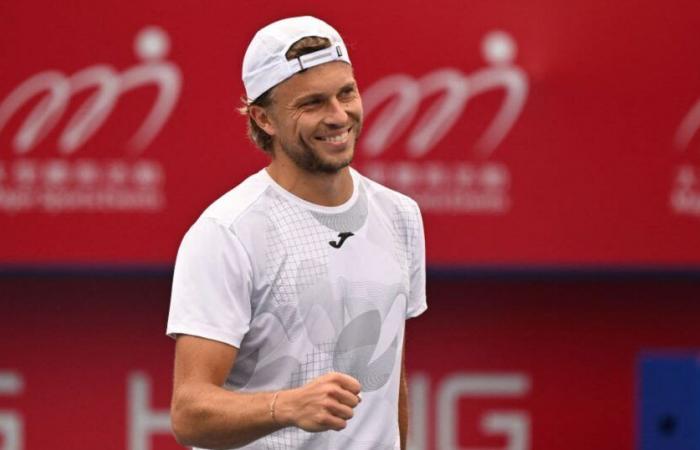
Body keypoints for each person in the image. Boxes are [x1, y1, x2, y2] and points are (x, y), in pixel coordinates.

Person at [166, 16, 426, 450]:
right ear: (263, 119)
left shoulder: (400, 215)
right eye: (312, 103)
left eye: (347, 93)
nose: (339, 116)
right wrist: (286, 407)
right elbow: (190, 413)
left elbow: (390, 379)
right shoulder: (226, 232)